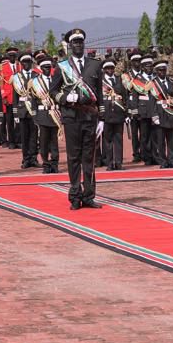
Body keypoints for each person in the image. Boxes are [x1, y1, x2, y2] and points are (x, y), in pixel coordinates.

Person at [50, 28, 103, 210]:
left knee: (89, 157)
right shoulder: (62, 66)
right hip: (71, 116)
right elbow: (53, 91)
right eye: (75, 42)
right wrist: (66, 99)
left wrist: (101, 118)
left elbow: (100, 94)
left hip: (89, 117)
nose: (78, 45)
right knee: (73, 157)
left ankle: (89, 195)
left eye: (80, 42)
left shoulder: (95, 65)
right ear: (70, 45)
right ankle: (75, 195)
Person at [31, 55, 62, 173]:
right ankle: (46, 163)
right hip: (42, 113)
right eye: (45, 68)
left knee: (54, 142)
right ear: (41, 68)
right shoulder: (35, 82)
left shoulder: (56, 80)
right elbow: (33, 100)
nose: (47, 70)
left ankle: (55, 164)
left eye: (49, 67)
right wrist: (35, 115)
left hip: (54, 113)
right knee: (43, 142)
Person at [11, 53, 40, 169]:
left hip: (33, 109)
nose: (27, 64)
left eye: (29, 62)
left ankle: (34, 158)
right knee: (24, 136)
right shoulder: (16, 77)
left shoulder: (36, 75)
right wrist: (15, 112)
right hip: (22, 109)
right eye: (25, 62)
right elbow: (15, 96)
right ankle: (26, 159)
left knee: (34, 135)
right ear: (21, 64)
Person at [150, 59, 173, 168]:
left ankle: (172, 160)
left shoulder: (171, 82)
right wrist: (154, 115)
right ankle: (163, 161)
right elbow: (151, 101)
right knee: (161, 141)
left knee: (171, 140)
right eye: (160, 70)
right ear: (156, 71)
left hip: (171, 113)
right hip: (160, 113)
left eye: (164, 70)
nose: (162, 72)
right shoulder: (153, 84)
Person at [99, 59, 128, 170]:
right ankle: (109, 163)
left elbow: (124, 97)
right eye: (107, 69)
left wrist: (126, 112)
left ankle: (119, 162)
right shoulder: (101, 82)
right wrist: (100, 115)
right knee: (107, 140)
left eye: (111, 68)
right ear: (104, 70)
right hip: (106, 114)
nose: (110, 70)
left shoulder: (119, 79)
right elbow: (99, 99)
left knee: (119, 139)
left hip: (118, 114)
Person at [0, 47, 22, 149]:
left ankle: (18, 140)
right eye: (10, 56)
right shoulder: (2, 67)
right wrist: (3, 96)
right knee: (9, 121)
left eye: (14, 56)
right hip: (9, 98)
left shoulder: (20, 66)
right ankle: (11, 141)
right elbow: (0, 84)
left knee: (19, 120)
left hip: (19, 97)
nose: (12, 57)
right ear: (8, 56)